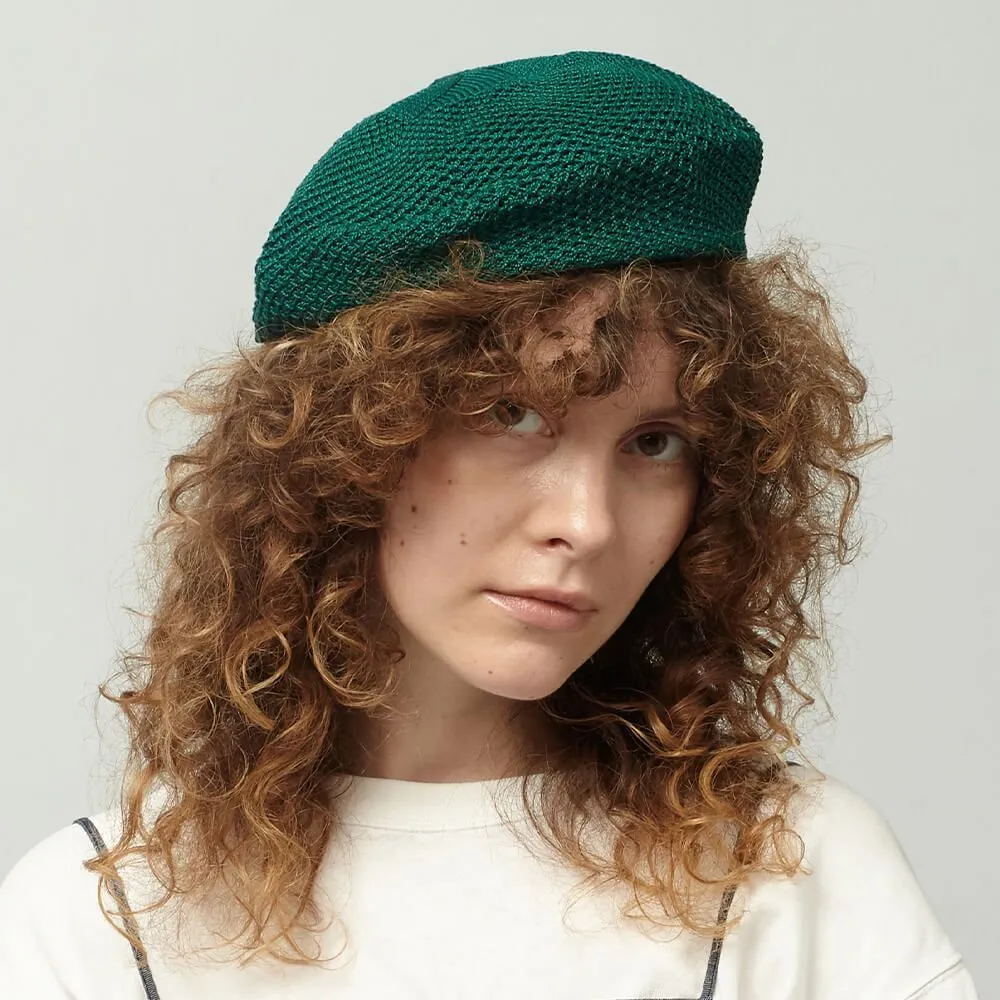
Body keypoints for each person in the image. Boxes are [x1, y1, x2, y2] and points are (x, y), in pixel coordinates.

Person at [0, 49, 979, 1000]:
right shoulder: (106, 920)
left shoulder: (791, 878)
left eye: (655, 443)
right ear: (343, 442)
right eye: (513, 414)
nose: (587, 523)